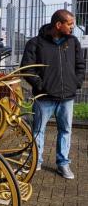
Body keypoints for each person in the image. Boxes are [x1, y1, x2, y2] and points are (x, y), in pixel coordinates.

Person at [20, 9, 85, 178]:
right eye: (69, 24)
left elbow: (80, 65)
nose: (72, 27)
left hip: (67, 98)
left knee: (65, 130)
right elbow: (26, 69)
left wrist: (76, 83)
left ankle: (63, 164)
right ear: (58, 24)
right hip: (44, 98)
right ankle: (36, 162)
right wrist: (41, 86)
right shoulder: (35, 43)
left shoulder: (73, 42)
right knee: (37, 130)